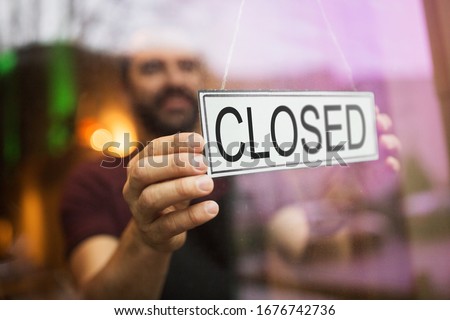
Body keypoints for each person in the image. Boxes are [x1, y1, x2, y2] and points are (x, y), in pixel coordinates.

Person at [61, 36, 400, 299]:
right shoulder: (93, 181)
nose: (174, 79)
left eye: (187, 65)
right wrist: (149, 237)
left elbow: (301, 248)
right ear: (126, 87)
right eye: (152, 68)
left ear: (203, 76)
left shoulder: (243, 166)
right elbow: (98, 304)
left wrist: (342, 200)